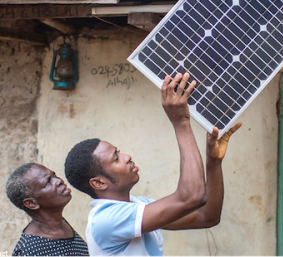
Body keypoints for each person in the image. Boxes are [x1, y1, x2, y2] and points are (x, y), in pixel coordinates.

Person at [64, 72, 242, 256]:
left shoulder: (137, 205)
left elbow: (206, 217)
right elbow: (191, 197)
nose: (127, 157)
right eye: (116, 158)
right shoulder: (106, 221)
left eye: (119, 151)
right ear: (99, 183)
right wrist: (181, 122)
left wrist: (213, 162)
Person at [6, 162, 89, 256]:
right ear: (31, 203)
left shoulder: (60, 224)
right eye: (48, 182)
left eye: (54, 175)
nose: (59, 181)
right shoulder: (29, 251)